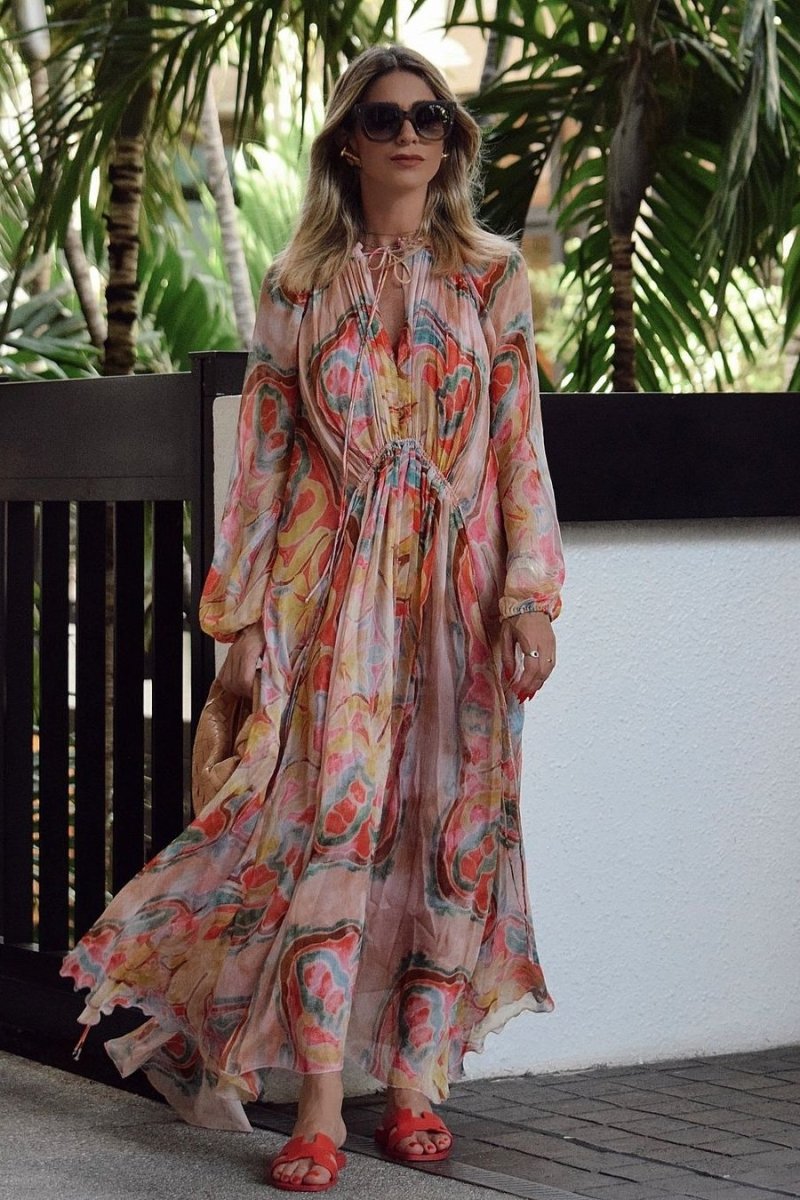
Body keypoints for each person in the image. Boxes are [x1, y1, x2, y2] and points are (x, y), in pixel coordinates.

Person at [61, 43, 564, 1194]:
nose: (409, 135)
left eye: (429, 118)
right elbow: (266, 464)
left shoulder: (491, 277)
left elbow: (517, 451)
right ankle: (324, 1101)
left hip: (458, 599)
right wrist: (241, 617)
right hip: (327, 592)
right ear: (346, 142)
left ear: (450, 139)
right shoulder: (297, 286)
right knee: (331, 827)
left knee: (448, 834)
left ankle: (418, 1086)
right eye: (384, 118)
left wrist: (529, 598)